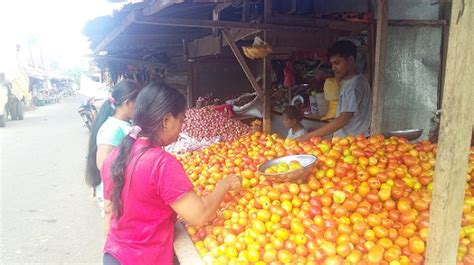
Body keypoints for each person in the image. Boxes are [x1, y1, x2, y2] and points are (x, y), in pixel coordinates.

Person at [100, 82, 241, 265]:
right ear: (167, 120)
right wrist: (225, 185)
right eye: (181, 120)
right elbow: (199, 215)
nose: (182, 127)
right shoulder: (161, 163)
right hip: (144, 259)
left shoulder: (115, 157)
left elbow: (109, 212)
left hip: (113, 256)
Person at [85, 80, 142, 221]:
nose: (141, 108)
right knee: (115, 231)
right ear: (128, 103)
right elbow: (103, 164)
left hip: (120, 192)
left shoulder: (124, 123)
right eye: (138, 103)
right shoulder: (112, 129)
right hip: (113, 194)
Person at [297, 40, 372, 141]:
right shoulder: (352, 80)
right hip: (350, 140)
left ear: (350, 60)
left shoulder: (353, 86)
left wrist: (307, 136)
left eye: (337, 63)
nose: (333, 67)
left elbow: (343, 119)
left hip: (353, 143)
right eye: (332, 64)